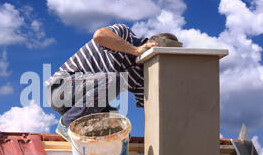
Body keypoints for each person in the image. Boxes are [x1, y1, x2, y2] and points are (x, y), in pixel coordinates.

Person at [44, 23, 182, 141]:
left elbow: (153, 111)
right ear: (150, 44)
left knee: (119, 131)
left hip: (82, 105)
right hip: (61, 89)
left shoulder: (142, 78)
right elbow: (99, 35)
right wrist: (135, 50)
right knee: (114, 80)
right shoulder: (125, 34)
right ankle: (67, 124)